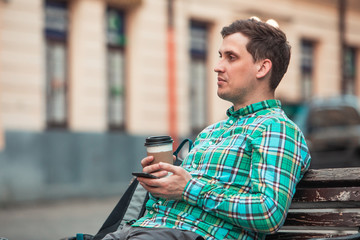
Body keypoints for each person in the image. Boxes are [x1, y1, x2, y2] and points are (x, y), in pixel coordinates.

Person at [103, 18, 311, 240]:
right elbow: (181, 194)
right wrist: (163, 181)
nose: (217, 66)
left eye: (231, 57)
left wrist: (188, 189)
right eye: (220, 56)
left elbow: (268, 213)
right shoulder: (210, 132)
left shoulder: (276, 129)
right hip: (144, 229)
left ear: (262, 67)